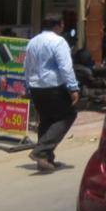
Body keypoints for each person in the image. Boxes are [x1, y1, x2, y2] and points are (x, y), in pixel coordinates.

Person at [24, 17, 79, 172]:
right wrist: (73, 88)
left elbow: (26, 66)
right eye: (62, 24)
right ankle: (40, 151)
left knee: (47, 120)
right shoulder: (59, 42)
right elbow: (65, 67)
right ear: (58, 26)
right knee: (67, 115)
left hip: (36, 87)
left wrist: (27, 86)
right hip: (53, 86)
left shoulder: (32, 42)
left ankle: (46, 160)